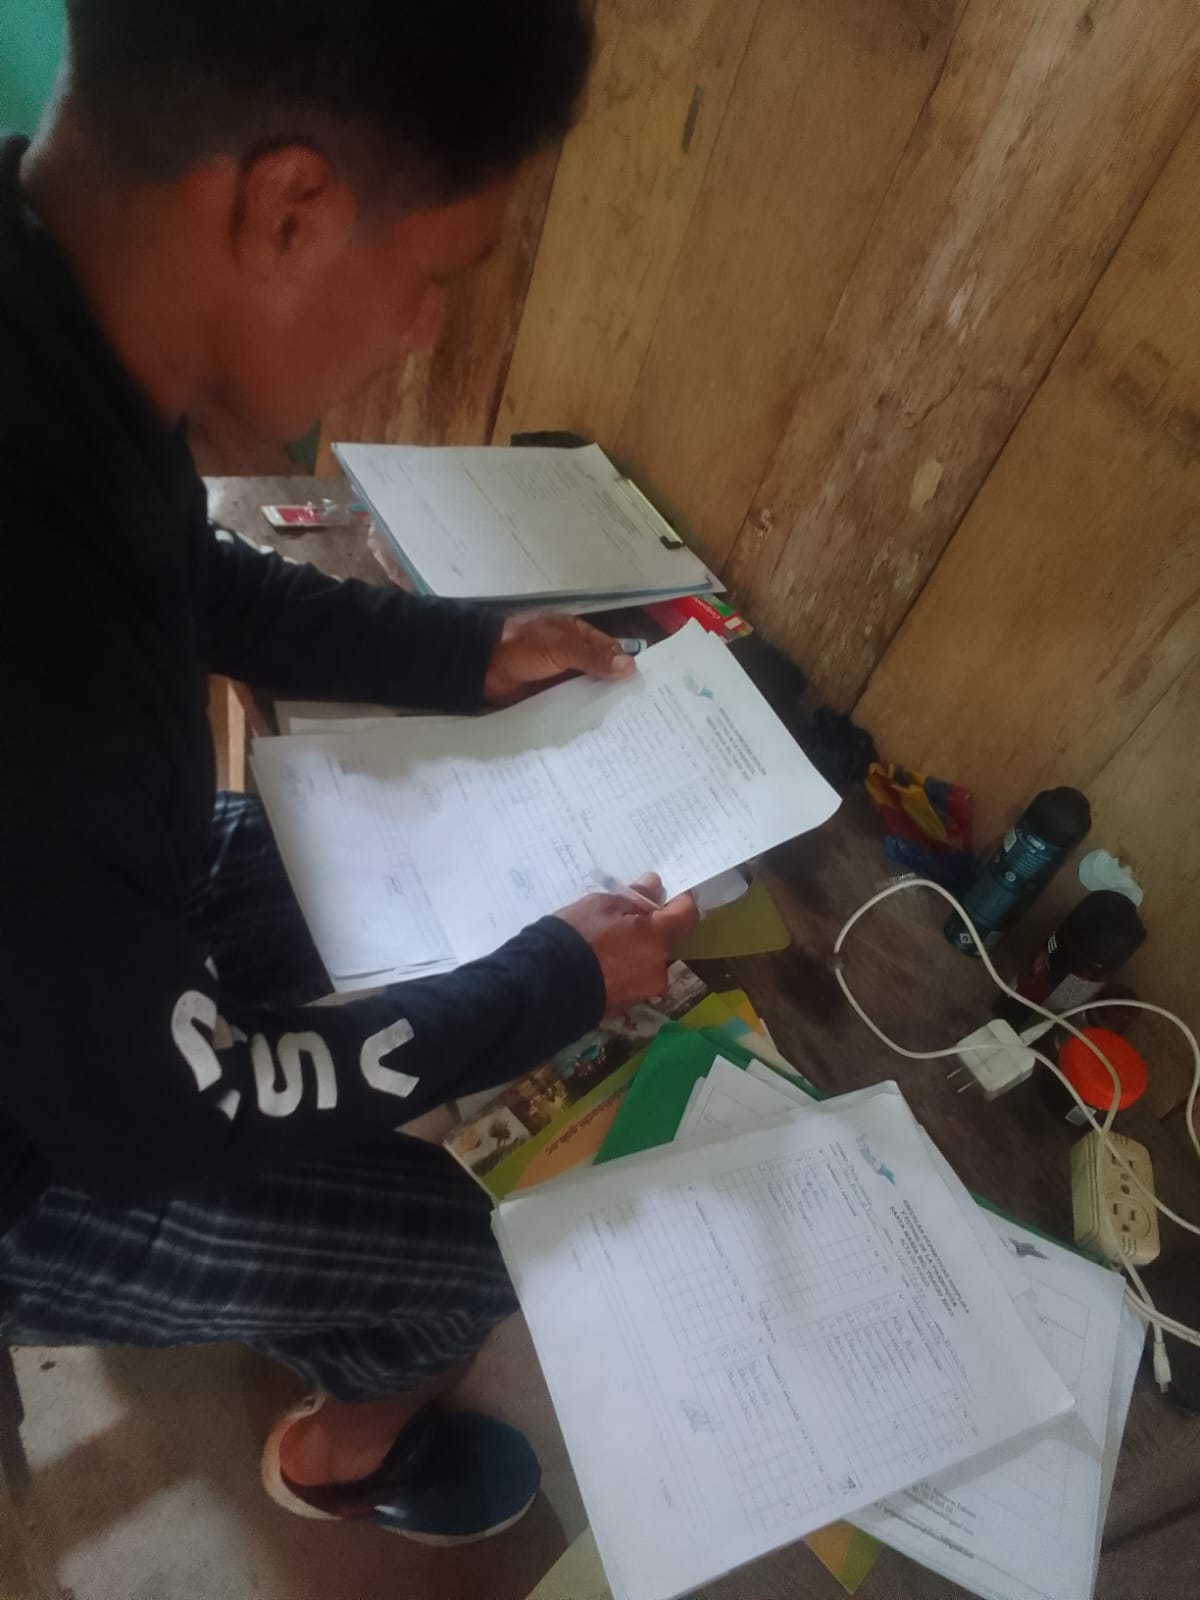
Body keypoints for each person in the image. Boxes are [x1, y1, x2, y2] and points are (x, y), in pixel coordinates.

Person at [0, 0, 698, 1544]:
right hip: (42, 1164)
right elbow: (168, 1115)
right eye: (437, 273)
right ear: (289, 211)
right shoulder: (31, 648)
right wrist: (545, 988)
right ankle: (342, 1458)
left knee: (336, 864)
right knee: (462, 1253)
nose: (425, 328)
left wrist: (452, 653)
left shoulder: (47, 299)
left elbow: (180, 573)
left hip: (78, 978)